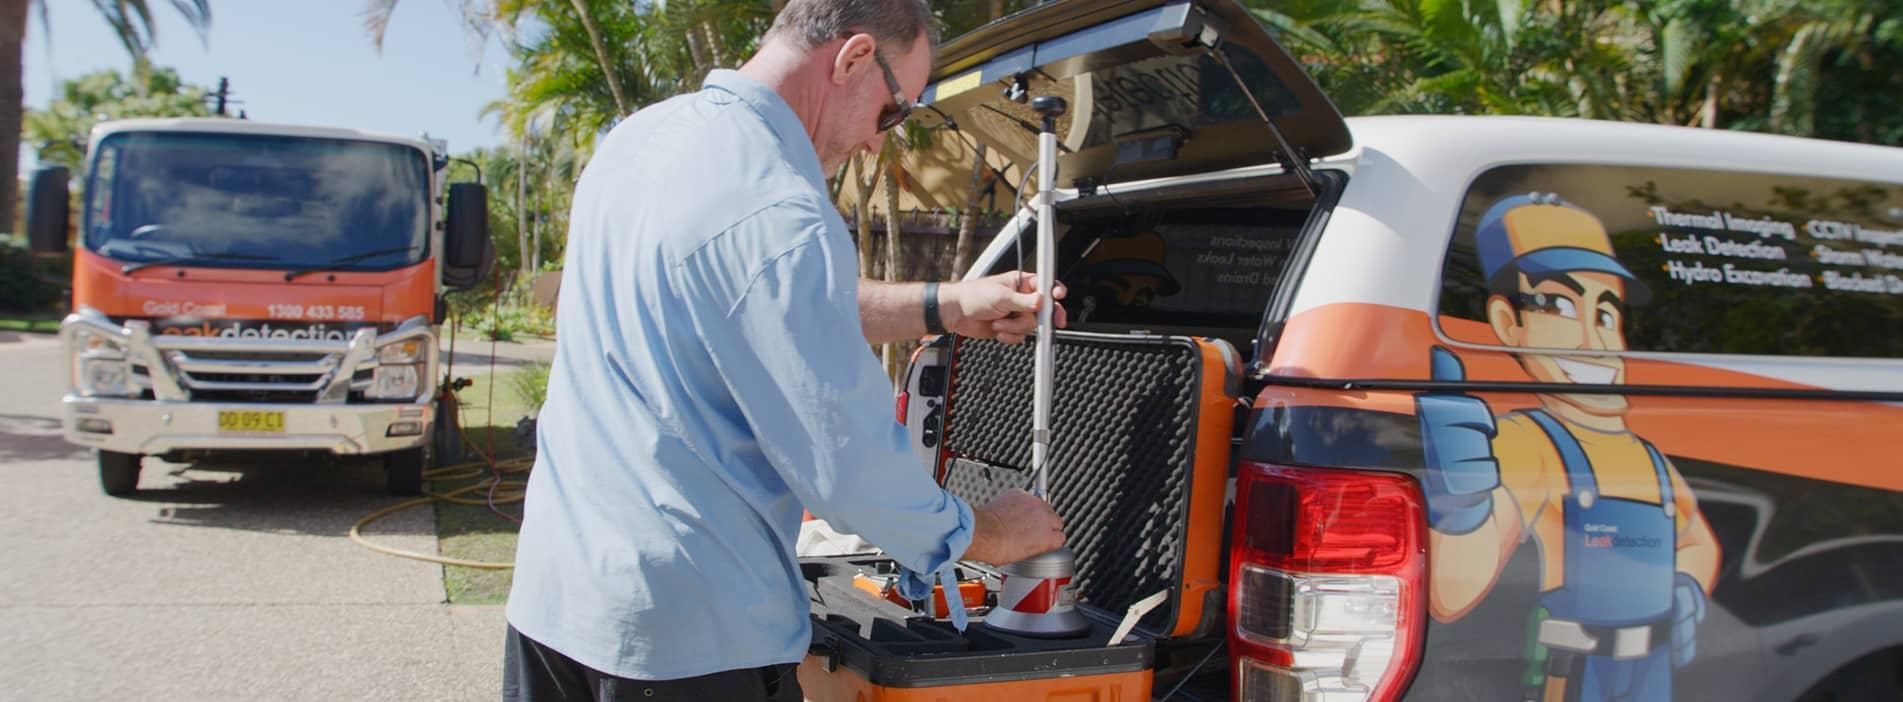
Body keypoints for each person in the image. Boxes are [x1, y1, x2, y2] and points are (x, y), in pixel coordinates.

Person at [502, 1, 1070, 700]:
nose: (874, 143)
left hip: (554, 606)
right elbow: (848, 471)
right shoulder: (778, 205)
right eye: (892, 112)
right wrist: (990, 532)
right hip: (686, 644)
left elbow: (751, 313)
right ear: (854, 57)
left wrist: (944, 306)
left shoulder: (638, 141)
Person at [1417, 193, 1719, 702]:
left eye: (1605, 313)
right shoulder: (1528, 444)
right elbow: (1452, 592)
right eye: (1558, 305)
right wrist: (1462, 506)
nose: (1590, 341)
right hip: (1576, 674)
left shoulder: (1650, 458)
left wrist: (1686, 585)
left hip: (1651, 673)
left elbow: (1697, 542)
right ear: (1509, 323)